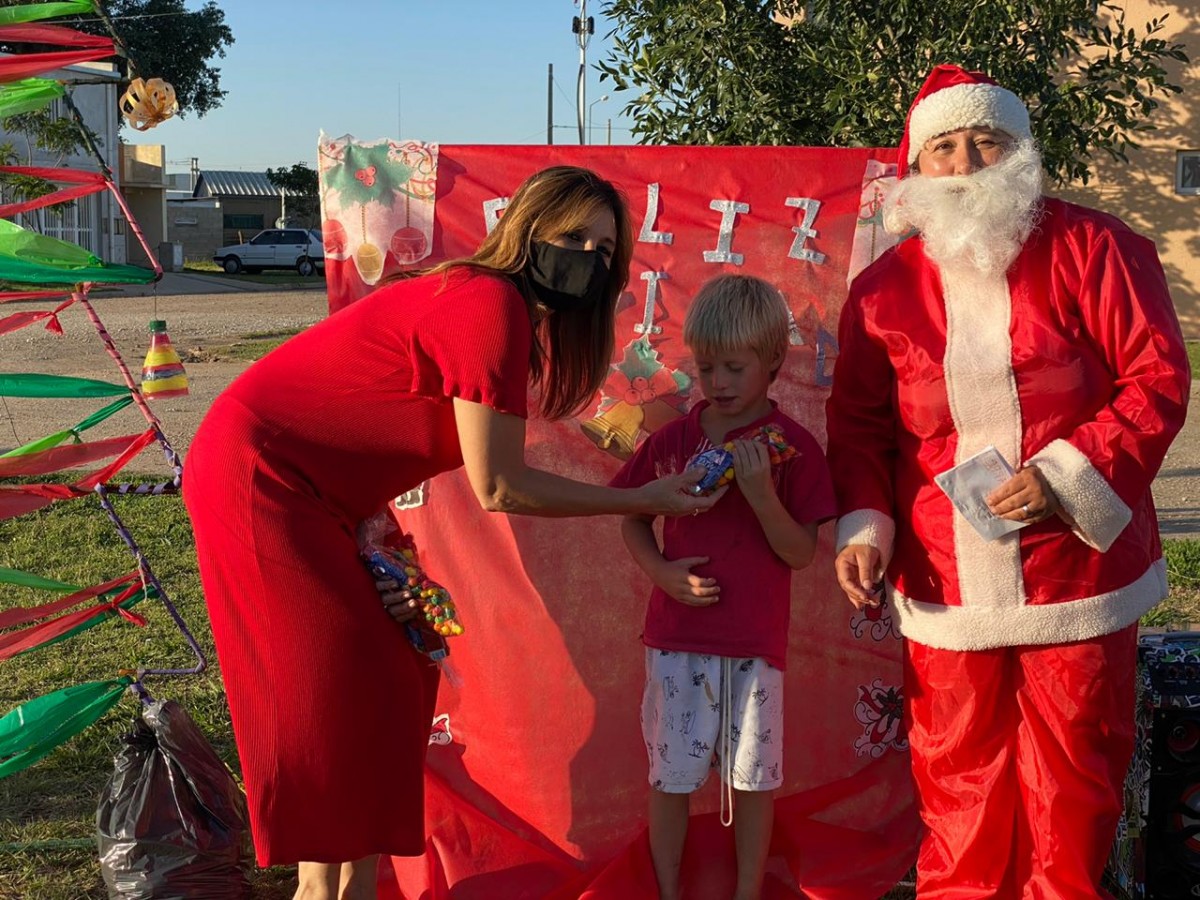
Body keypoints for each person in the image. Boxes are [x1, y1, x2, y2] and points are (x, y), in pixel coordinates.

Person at [182, 165, 725, 900]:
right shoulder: (487, 302)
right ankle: (321, 888)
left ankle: (348, 886)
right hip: (263, 481)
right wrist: (642, 497)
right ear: (528, 231)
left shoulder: (506, 314)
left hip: (335, 501)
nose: (589, 261)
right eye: (573, 238)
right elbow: (499, 486)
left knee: (388, 680)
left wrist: (377, 543)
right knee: (332, 698)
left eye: (605, 251)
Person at [825, 64, 1190, 897]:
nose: (966, 162)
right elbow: (860, 427)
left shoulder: (1098, 249)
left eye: (986, 140)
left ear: (1019, 150)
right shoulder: (882, 293)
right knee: (957, 774)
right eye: (944, 147)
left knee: (1074, 775)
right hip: (943, 569)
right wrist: (865, 523)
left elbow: (1156, 379)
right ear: (919, 170)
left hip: (1076, 564)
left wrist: (1069, 474)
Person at [609, 274, 837, 900]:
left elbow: (801, 553)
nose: (719, 384)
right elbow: (632, 515)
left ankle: (746, 892)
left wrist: (762, 496)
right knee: (672, 777)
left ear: (770, 362)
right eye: (706, 368)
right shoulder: (673, 439)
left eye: (734, 367)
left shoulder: (794, 449)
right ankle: (667, 889)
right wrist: (659, 572)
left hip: (755, 648)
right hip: (677, 638)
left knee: (754, 780)